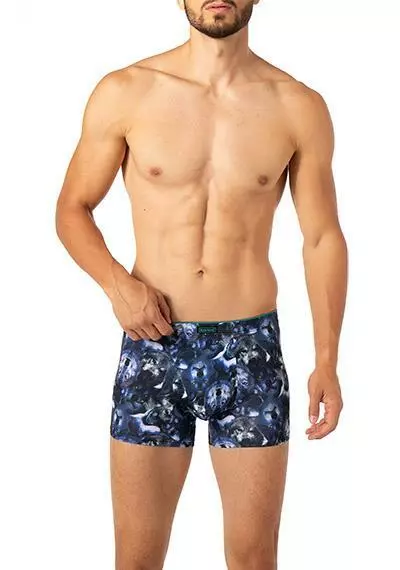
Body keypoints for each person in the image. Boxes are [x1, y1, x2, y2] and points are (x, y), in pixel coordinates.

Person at [55, 0, 348, 568]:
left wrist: (327, 360)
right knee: (137, 559)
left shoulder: (297, 105)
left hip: (251, 352)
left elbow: (322, 238)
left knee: (253, 558)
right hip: (153, 345)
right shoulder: (127, 91)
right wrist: (117, 285)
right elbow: (72, 208)